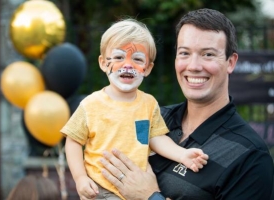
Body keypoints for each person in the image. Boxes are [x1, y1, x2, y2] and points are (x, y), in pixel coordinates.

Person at [100, 8, 274, 200]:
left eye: (207, 54)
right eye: (184, 53)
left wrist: (150, 196)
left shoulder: (250, 157)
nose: (193, 66)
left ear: (230, 62)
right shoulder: (153, 118)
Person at [60, 19, 208, 200]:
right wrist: (80, 177)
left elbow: (156, 138)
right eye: (119, 57)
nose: (127, 65)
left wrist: (183, 155)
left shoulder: (148, 104)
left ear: (148, 68)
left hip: (136, 189)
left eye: (137, 59)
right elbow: (73, 141)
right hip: (101, 188)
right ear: (103, 63)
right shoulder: (91, 105)